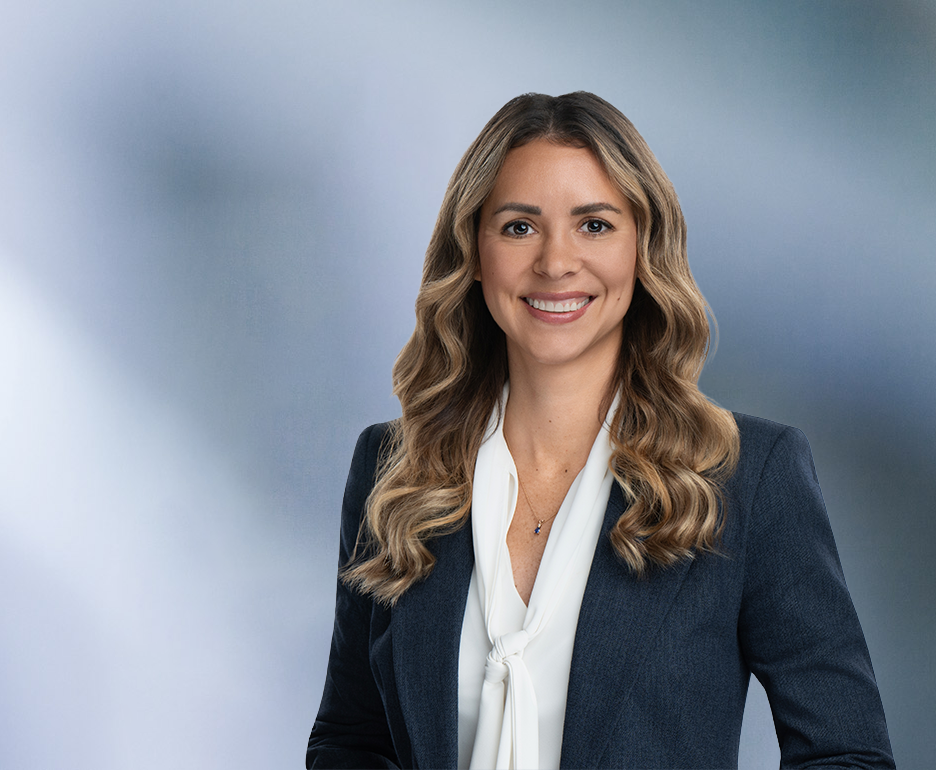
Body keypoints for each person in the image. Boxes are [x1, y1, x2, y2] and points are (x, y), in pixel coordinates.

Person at [306, 92, 893, 770]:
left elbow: (847, 755)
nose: (556, 263)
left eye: (594, 226)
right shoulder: (393, 472)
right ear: (472, 252)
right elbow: (349, 741)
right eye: (519, 227)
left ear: (644, 248)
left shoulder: (747, 478)